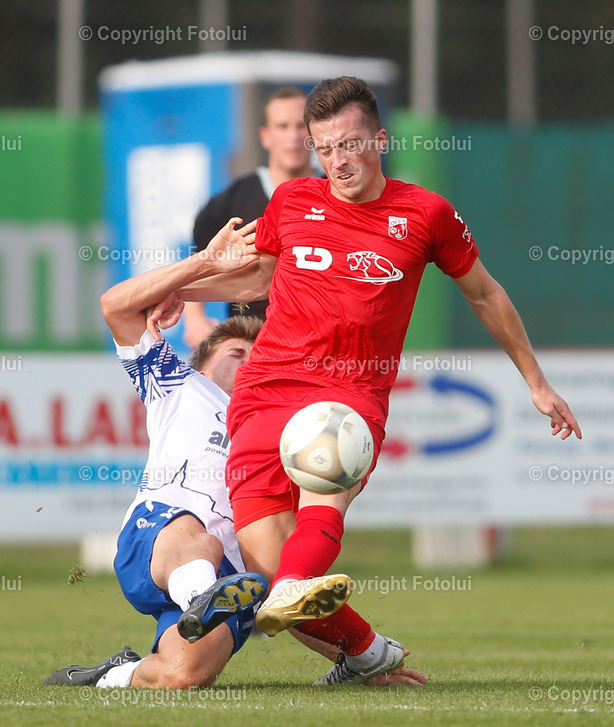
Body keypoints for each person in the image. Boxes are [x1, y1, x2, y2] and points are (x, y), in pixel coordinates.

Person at [146, 76, 583, 686]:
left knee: (316, 516)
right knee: (273, 575)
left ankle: (305, 597)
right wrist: (176, 290)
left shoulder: (425, 213)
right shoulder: (294, 201)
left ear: (380, 138)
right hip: (264, 391)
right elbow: (254, 282)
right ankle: (366, 655)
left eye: (350, 144)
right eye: (325, 148)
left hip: (349, 394)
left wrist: (536, 382)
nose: (338, 160)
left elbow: (485, 295)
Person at [45, 222, 426, 690]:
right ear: (201, 363)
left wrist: (359, 658)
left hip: (236, 578)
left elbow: (287, 586)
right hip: (162, 535)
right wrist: (204, 263)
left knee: (183, 676)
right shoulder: (178, 386)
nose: (250, 360)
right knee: (200, 542)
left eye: (259, 352)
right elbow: (116, 305)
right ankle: (204, 594)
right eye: (236, 351)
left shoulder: (292, 433)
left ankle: (111, 674)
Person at [182, 85, 315, 349]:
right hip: (251, 350)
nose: (293, 136)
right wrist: (194, 322)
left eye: (301, 126)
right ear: (265, 136)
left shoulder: (337, 195)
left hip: (319, 349)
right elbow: (196, 264)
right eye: (282, 126)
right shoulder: (230, 203)